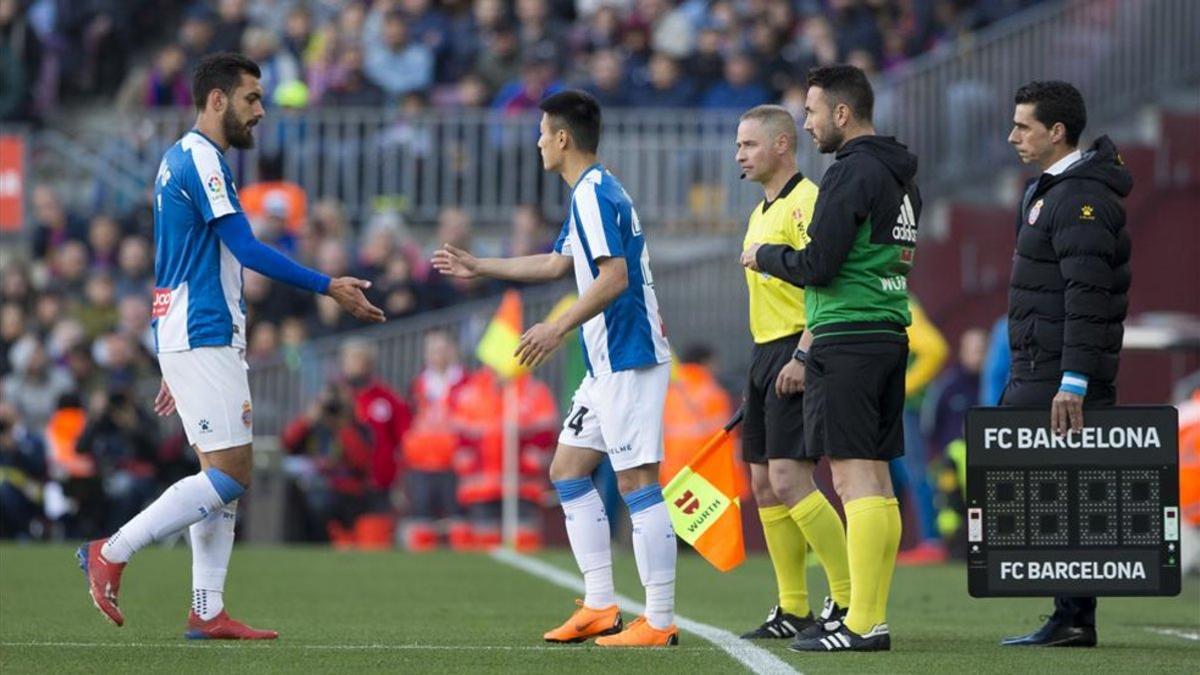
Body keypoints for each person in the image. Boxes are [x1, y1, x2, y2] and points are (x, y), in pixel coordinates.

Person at [77, 52, 384, 639]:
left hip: (192, 332)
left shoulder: (181, 160)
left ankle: (207, 609)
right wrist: (328, 285)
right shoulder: (203, 160)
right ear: (217, 100)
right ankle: (111, 551)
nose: (261, 111)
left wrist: (172, 352)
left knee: (222, 471)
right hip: (203, 330)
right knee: (232, 473)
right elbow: (246, 249)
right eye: (252, 99)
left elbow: (175, 257)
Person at [432, 90, 677, 647]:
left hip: (629, 357)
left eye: (543, 132)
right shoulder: (591, 192)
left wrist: (556, 327)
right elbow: (556, 262)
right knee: (567, 470)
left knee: (638, 481)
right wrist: (480, 266)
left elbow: (614, 278)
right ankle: (599, 606)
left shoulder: (593, 195)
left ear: (563, 138)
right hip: (606, 361)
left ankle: (659, 621)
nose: (538, 141)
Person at [742, 64, 920, 652]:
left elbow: (818, 267)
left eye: (813, 112)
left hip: (847, 335)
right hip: (888, 330)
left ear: (842, 114)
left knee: (851, 478)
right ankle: (865, 616)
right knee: (876, 482)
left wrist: (766, 256)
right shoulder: (902, 176)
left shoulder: (850, 174)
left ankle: (862, 618)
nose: (809, 122)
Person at [998, 80, 1132, 648]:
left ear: (1057, 132)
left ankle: (1075, 618)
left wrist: (1072, 380)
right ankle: (1068, 613)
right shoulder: (1050, 191)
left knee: (1066, 491)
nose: (1012, 137)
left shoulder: (1083, 199)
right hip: (1038, 364)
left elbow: (1087, 296)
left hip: (1060, 374)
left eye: (1023, 126)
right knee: (1047, 489)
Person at [732, 104, 851, 642]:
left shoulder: (807, 201)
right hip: (764, 351)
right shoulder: (759, 213)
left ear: (782, 145)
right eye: (738, 146)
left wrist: (803, 352)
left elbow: (823, 282)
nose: (739, 154)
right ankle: (793, 607)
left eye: (749, 145)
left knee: (789, 477)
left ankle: (850, 598)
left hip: (796, 346)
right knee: (762, 484)